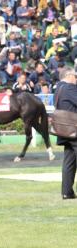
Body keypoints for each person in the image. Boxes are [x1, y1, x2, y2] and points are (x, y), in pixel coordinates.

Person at [54, 67, 77, 199]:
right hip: (74, 129)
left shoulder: (58, 88)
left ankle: (67, 192)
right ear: (69, 76)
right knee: (69, 161)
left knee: (69, 161)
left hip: (64, 130)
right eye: (75, 76)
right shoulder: (69, 87)